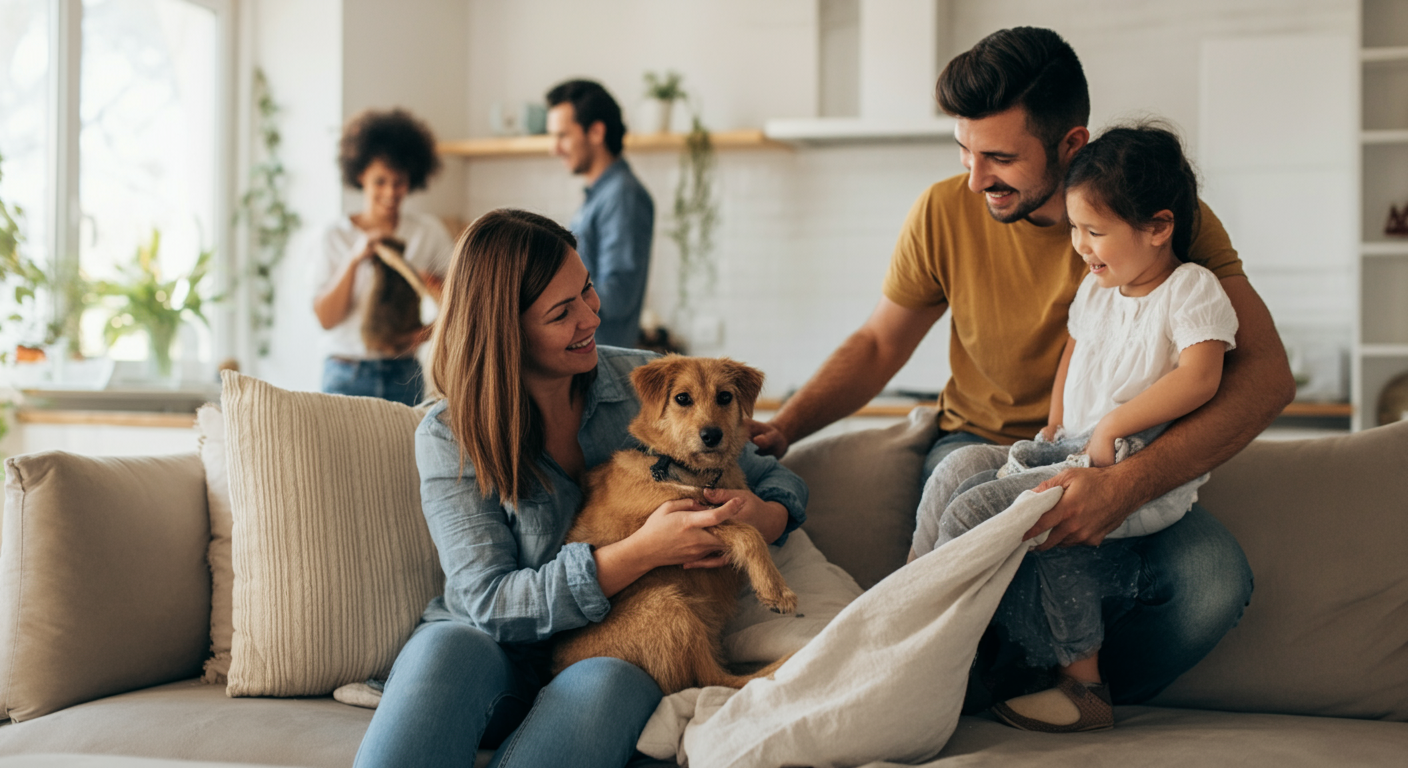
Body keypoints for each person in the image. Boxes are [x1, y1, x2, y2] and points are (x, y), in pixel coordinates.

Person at [749, 26, 1294, 708]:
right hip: (981, 443)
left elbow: (1267, 377)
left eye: (999, 158)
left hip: (1116, 457)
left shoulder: (1155, 216)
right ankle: (975, 673)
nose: (975, 179)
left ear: (1072, 145)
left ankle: (1059, 691)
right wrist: (784, 427)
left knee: (1213, 581)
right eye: (966, 153)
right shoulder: (944, 211)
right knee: (967, 509)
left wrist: (1123, 484)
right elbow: (879, 345)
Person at [353, 209, 806, 768]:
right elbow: (488, 601)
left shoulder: (643, 384)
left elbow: (768, 473)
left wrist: (766, 516)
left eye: (587, 290)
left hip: (613, 646)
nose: (592, 316)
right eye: (562, 312)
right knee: (445, 651)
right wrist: (639, 553)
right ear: (505, 330)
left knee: (609, 685)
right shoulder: (450, 435)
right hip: (491, 647)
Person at [913, 123, 1239, 732]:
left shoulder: (1192, 289)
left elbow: (1201, 379)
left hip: (1132, 462)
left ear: (1159, 227)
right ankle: (901, 616)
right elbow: (1075, 353)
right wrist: (1056, 423)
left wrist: (1113, 423)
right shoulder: (1098, 288)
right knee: (956, 470)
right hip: (1073, 445)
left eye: (1094, 231)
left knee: (986, 512)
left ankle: (1076, 687)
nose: (1081, 246)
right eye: (1074, 230)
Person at [312, 108, 452, 405]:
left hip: (405, 374)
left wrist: (422, 336)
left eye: (399, 181)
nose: (390, 192)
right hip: (345, 372)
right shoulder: (335, 236)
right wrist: (354, 259)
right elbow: (326, 319)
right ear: (360, 174)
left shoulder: (428, 233)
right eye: (380, 181)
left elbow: (458, 302)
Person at [546, 79, 655, 349]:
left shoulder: (622, 196)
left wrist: (546, 295)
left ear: (595, 132)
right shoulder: (601, 197)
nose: (554, 148)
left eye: (562, 135)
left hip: (598, 361)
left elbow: (617, 296)